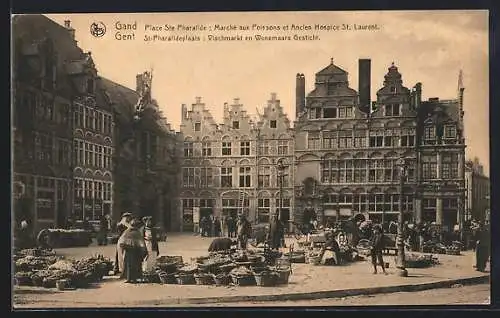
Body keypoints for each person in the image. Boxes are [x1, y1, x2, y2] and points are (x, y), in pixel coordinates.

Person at [118, 218, 147, 283]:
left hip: (129, 251)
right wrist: (143, 250)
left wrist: (124, 247)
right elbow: (142, 243)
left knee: (129, 265)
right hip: (135, 251)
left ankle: (129, 278)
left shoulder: (127, 231)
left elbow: (121, 242)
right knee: (135, 265)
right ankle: (134, 278)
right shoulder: (137, 232)